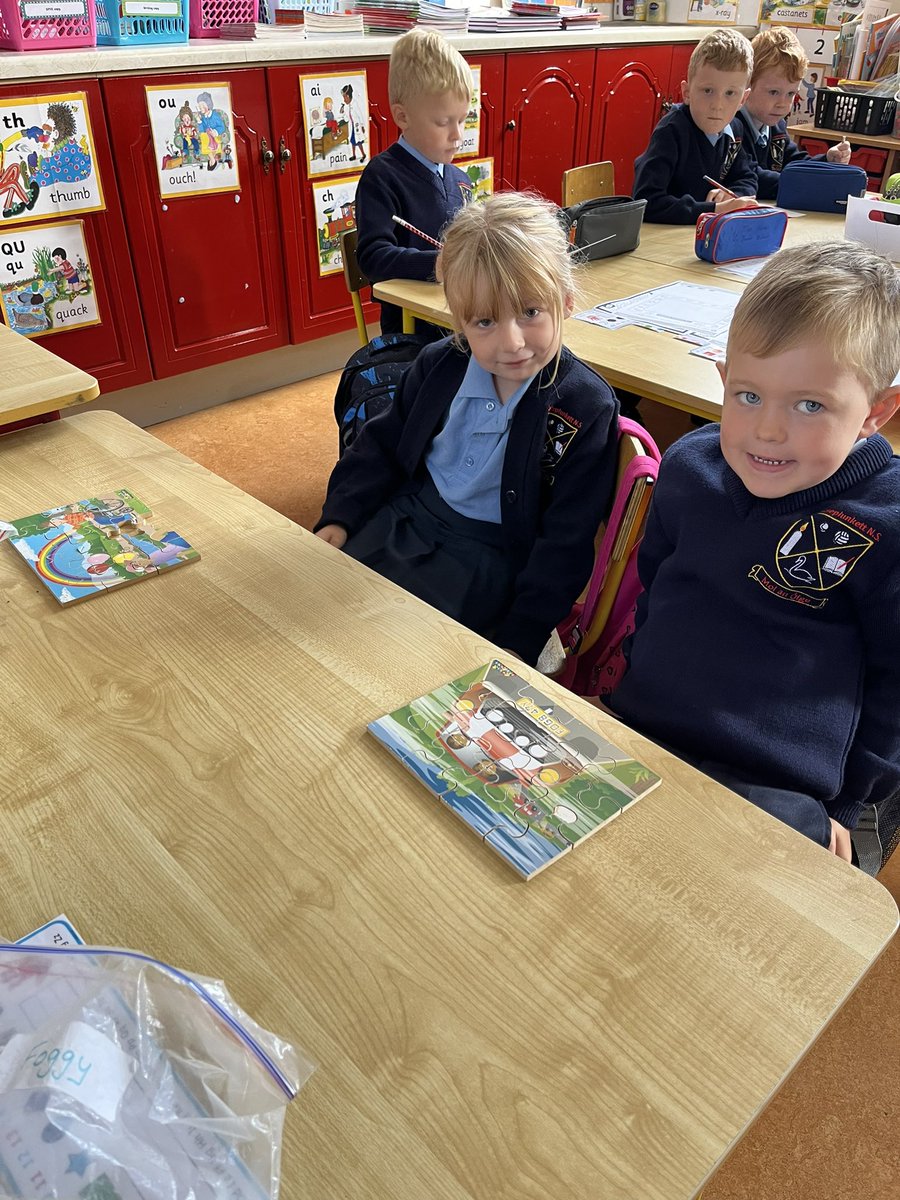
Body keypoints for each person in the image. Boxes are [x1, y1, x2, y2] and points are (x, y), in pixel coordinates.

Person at [607, 242, 900, 868]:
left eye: (810, 405)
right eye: (747, 395)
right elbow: (656, 585)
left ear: (876, 413)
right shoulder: (689, 466)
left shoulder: (887, 522)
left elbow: (895, 682)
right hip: (646, 729)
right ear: (721, 379)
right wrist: (629, 677)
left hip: (780, 785)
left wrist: (849, 804)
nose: (767, 430)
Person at [314, 192, 620, 667]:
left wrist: (523, 634)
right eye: (485, 321)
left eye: (531, 312)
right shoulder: (439, 364)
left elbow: (567, 539)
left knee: (398, 657)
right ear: (459, 322)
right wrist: (340, 515)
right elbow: (382, 445)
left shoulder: (585, 407)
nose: (512, 342)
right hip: (406, 518)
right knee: (320, 610)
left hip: (487, 559)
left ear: (565, 299)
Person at [355, 28, 474, 336]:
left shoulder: (460, 181)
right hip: (412, 334)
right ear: (402, 116)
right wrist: (436, 265)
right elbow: (372, 258)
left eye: (462, 120)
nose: (457, 135)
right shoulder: (382, 177)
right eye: (443, 122)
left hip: (462, 322)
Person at [633, 29, 759, 224]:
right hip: (662, 241)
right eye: (708, 90)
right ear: (686, 92)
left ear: (744, 99)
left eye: (730, 93)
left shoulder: (735, 129)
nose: (717, 105)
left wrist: (732, 195)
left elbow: (748, 177)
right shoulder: (671, 131)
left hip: (705, 235)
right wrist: (714, 209)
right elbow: (646, 202)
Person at [734, 27, 850, 201]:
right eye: (773, 92)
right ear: (747, 85)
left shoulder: (776, 125)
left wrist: (826, 160)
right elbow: (753, 178)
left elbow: (796, 164)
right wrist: (805, 183)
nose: (783, 103)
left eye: (791, 94)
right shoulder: (732, 126)